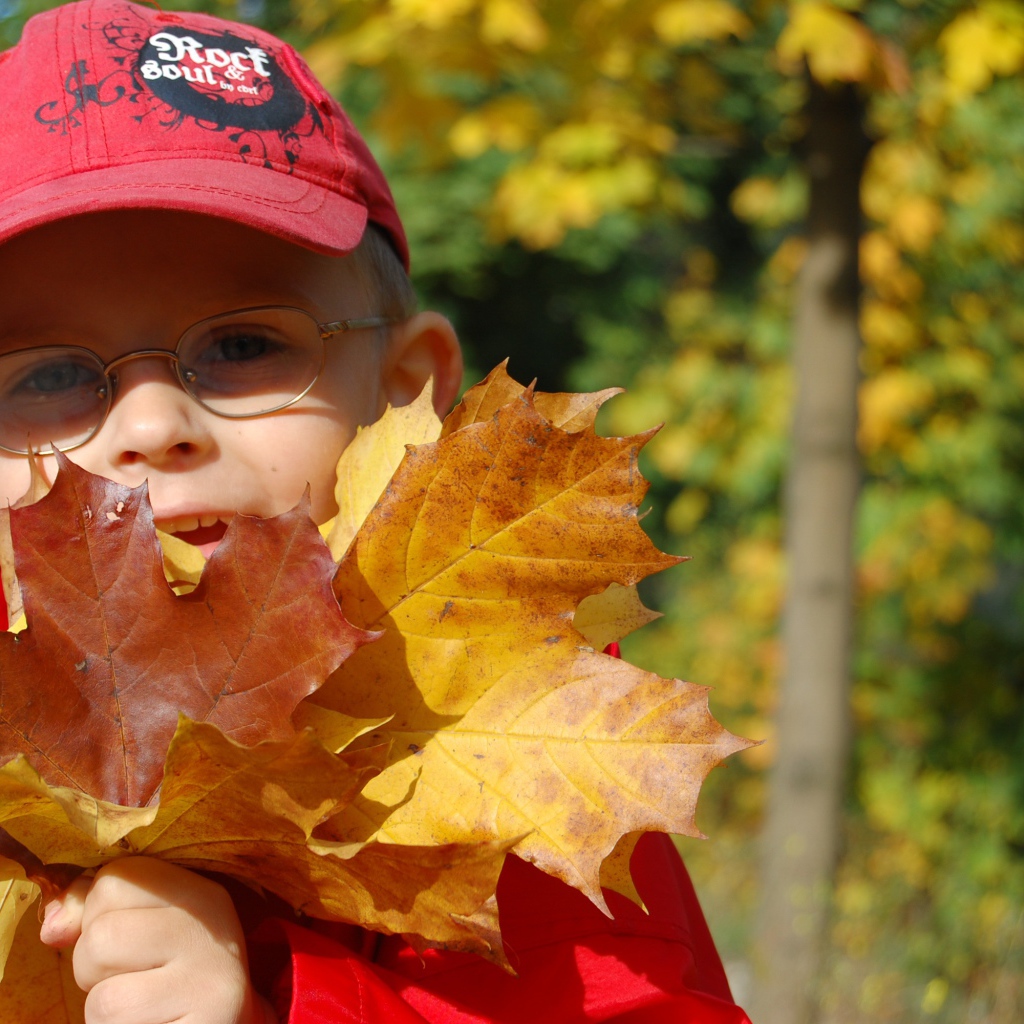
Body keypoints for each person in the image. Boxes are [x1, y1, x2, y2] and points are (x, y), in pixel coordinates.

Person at [0, 2, 752, 1022]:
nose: (150, 422)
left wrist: (284, 1006)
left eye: (240, 347)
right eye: (44, 374)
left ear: (408, 396)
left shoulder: (481, 722)